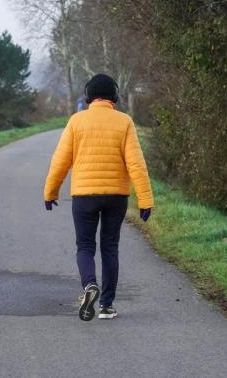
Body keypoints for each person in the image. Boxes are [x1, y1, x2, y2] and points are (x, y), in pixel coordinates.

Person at [43, 73, 154, 321]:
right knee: (110, 247)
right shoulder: (124, 122)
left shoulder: (76, 121)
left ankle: (89, 285)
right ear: (114, 96)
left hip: (84, 195)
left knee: (85, 246)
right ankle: (106, 305)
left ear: (87, 96)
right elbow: (136, 164)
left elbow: (60, 161)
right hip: (116, 196)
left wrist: (50, 192)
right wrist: (146, 200)